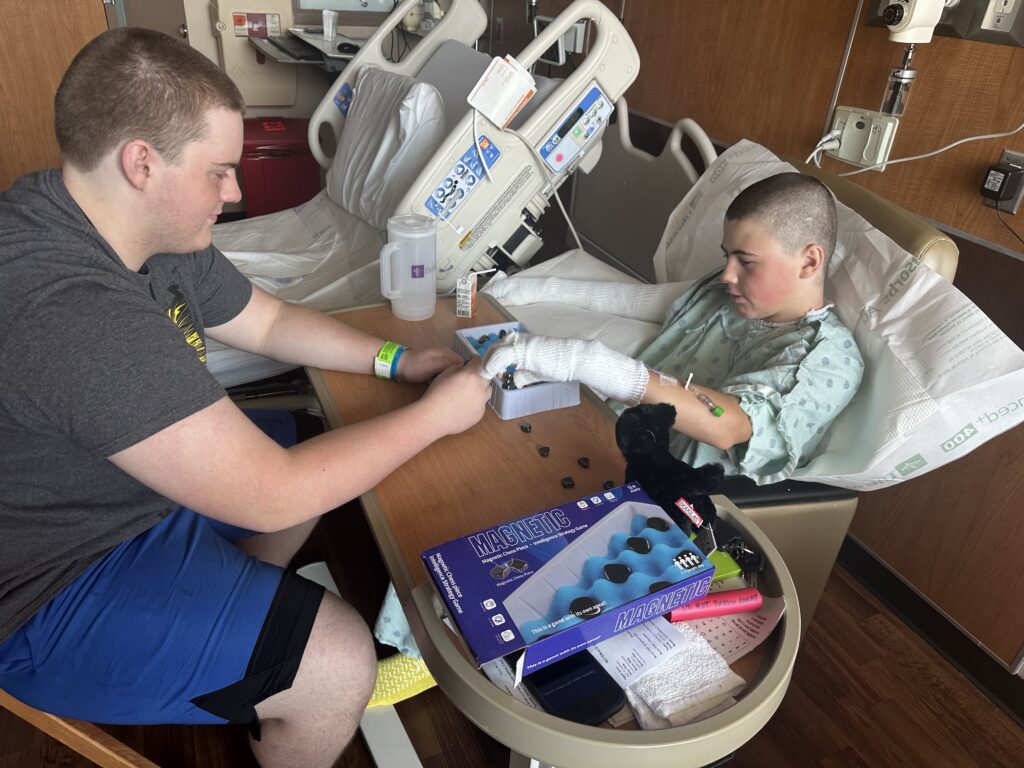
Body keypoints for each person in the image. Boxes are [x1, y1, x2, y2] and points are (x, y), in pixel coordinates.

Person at [0, 27, 491, 768]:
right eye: (219, 172)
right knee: (341, 663)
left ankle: (241, 651)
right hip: (46, 589)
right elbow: (271, 496)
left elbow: (264, 318)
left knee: (301, 436)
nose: (233, 192)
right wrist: (437, 416)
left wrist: (394, 359)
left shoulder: (121, 220)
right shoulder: (73, 309)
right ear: (141, 163)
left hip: (109, 495)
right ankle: (283, 675)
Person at [481, 172, 864, 485]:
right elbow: (634, 301)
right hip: (597, 437)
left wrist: (583, 360)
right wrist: (518, 290)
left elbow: (728, 425)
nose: (727, 274)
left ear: (809, 262)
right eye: (726, 256)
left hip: (658, 493)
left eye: (746, 261)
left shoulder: (825, 360)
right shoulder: (727, 296)